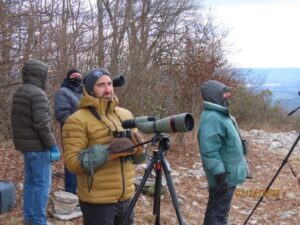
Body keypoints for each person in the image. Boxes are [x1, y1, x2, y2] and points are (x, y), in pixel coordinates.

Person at [62, 68, 146, 225]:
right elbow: (72, 163)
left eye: (109, 84)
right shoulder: (76, 120)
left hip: (127, 196)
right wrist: (109, 152)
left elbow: (137, 160)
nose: (107, 89)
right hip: (98, 201)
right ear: (89, 90)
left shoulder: (125, 115)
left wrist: (140, 150)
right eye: (101, 85)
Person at [11, 59, 61, 225]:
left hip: (27, 147)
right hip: (39, 147)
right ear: (40, 75)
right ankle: (39, 221)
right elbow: (42, 124)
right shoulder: (37, 94)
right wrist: (52, 145)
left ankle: (29, 218)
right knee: (42, 185)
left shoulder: (20, 91)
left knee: (30, 182)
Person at [197, 80, 249, 225]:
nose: (228, 95)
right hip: (223, 176)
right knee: (217, 214)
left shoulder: (220, 115)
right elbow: (209, 151)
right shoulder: (212, 118)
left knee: (220, 213)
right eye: (224, 93)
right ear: (215, 96)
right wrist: (220, 176)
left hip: (228, 175)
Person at [54, 68, 83, 194]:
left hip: (84, 133)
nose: (78, 79)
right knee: (71, 162)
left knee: (83, 161)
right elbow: (61, 114)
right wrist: (78, 124)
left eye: (79, 77)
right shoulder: (63, 92)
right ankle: (70, 193)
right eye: (75, 77)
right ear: (69, 79)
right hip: (70, 133)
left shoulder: (82, 92)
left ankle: (81, 191)